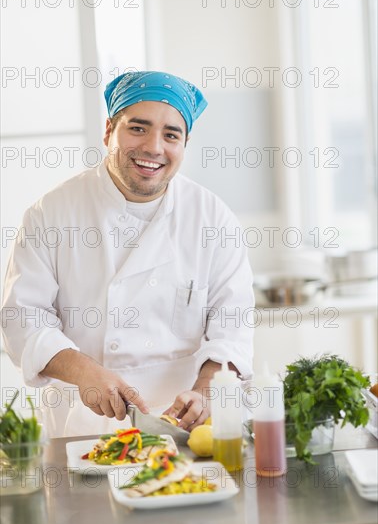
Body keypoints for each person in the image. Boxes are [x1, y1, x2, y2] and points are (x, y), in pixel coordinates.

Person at [1, 71, 254, 437]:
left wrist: (206, 392)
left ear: (184, 144)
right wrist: (84, 372)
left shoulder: (212, 217)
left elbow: (233, 325)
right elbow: (22, 319)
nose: (154, 147)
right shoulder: (52, 213)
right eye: (138, 128)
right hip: (86, 425)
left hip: (187, 425)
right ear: (108, 131)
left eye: (171, 135)